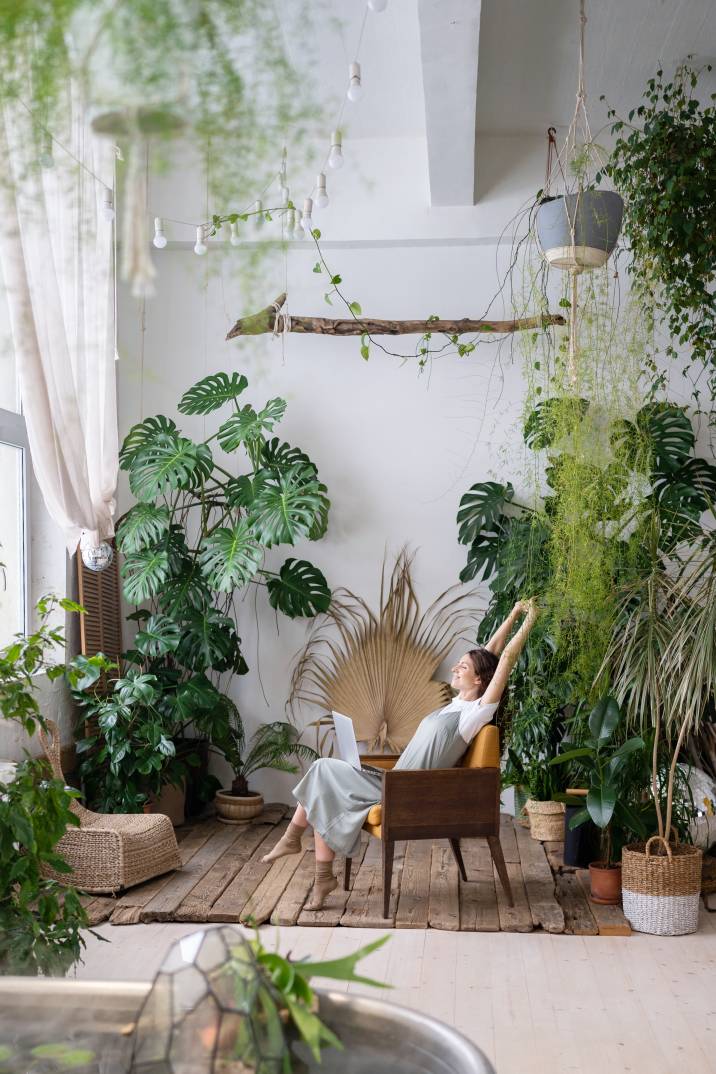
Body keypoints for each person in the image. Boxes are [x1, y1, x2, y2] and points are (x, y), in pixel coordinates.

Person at [262, 598, 540, 909]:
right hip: (393, 780)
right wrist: (514, 613)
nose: (454, 667)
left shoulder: (475, 714)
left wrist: (528, 623)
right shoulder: (457, 704)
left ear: (479, 680)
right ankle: (317, 870)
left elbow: (503, 662)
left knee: (323, 769)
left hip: (407, 790)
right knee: (323, 777)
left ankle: (296, 844)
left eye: (462, 667)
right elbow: (490, 654)